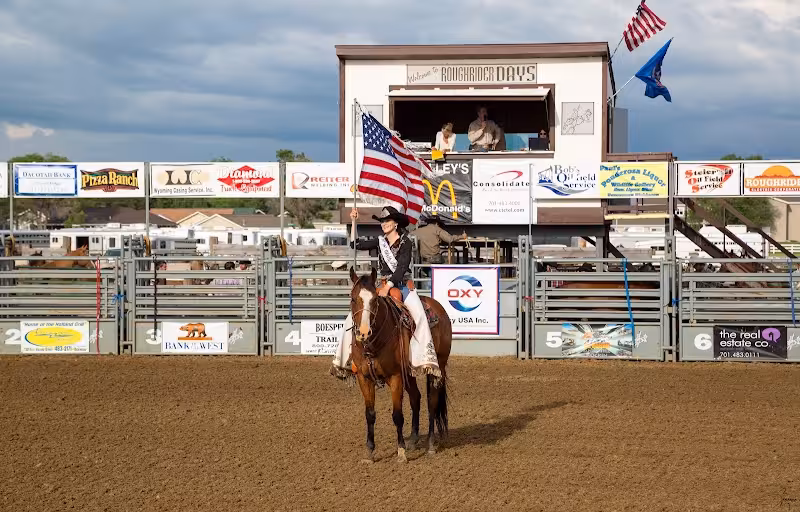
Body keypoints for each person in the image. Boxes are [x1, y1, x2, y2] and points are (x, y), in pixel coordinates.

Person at [331, 206, 440, 380]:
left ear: (396, 223)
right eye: (382, 222)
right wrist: (353, 222)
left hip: (403, 285)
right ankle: (344, 360)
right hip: (381, 286)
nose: (384, 224)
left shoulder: (406, 242)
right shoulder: (380, 241)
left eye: (387, 221)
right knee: (352, 318)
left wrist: (388, 286)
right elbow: (355, 244)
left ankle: (422, 359)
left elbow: (402, 267)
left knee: (419, 315)